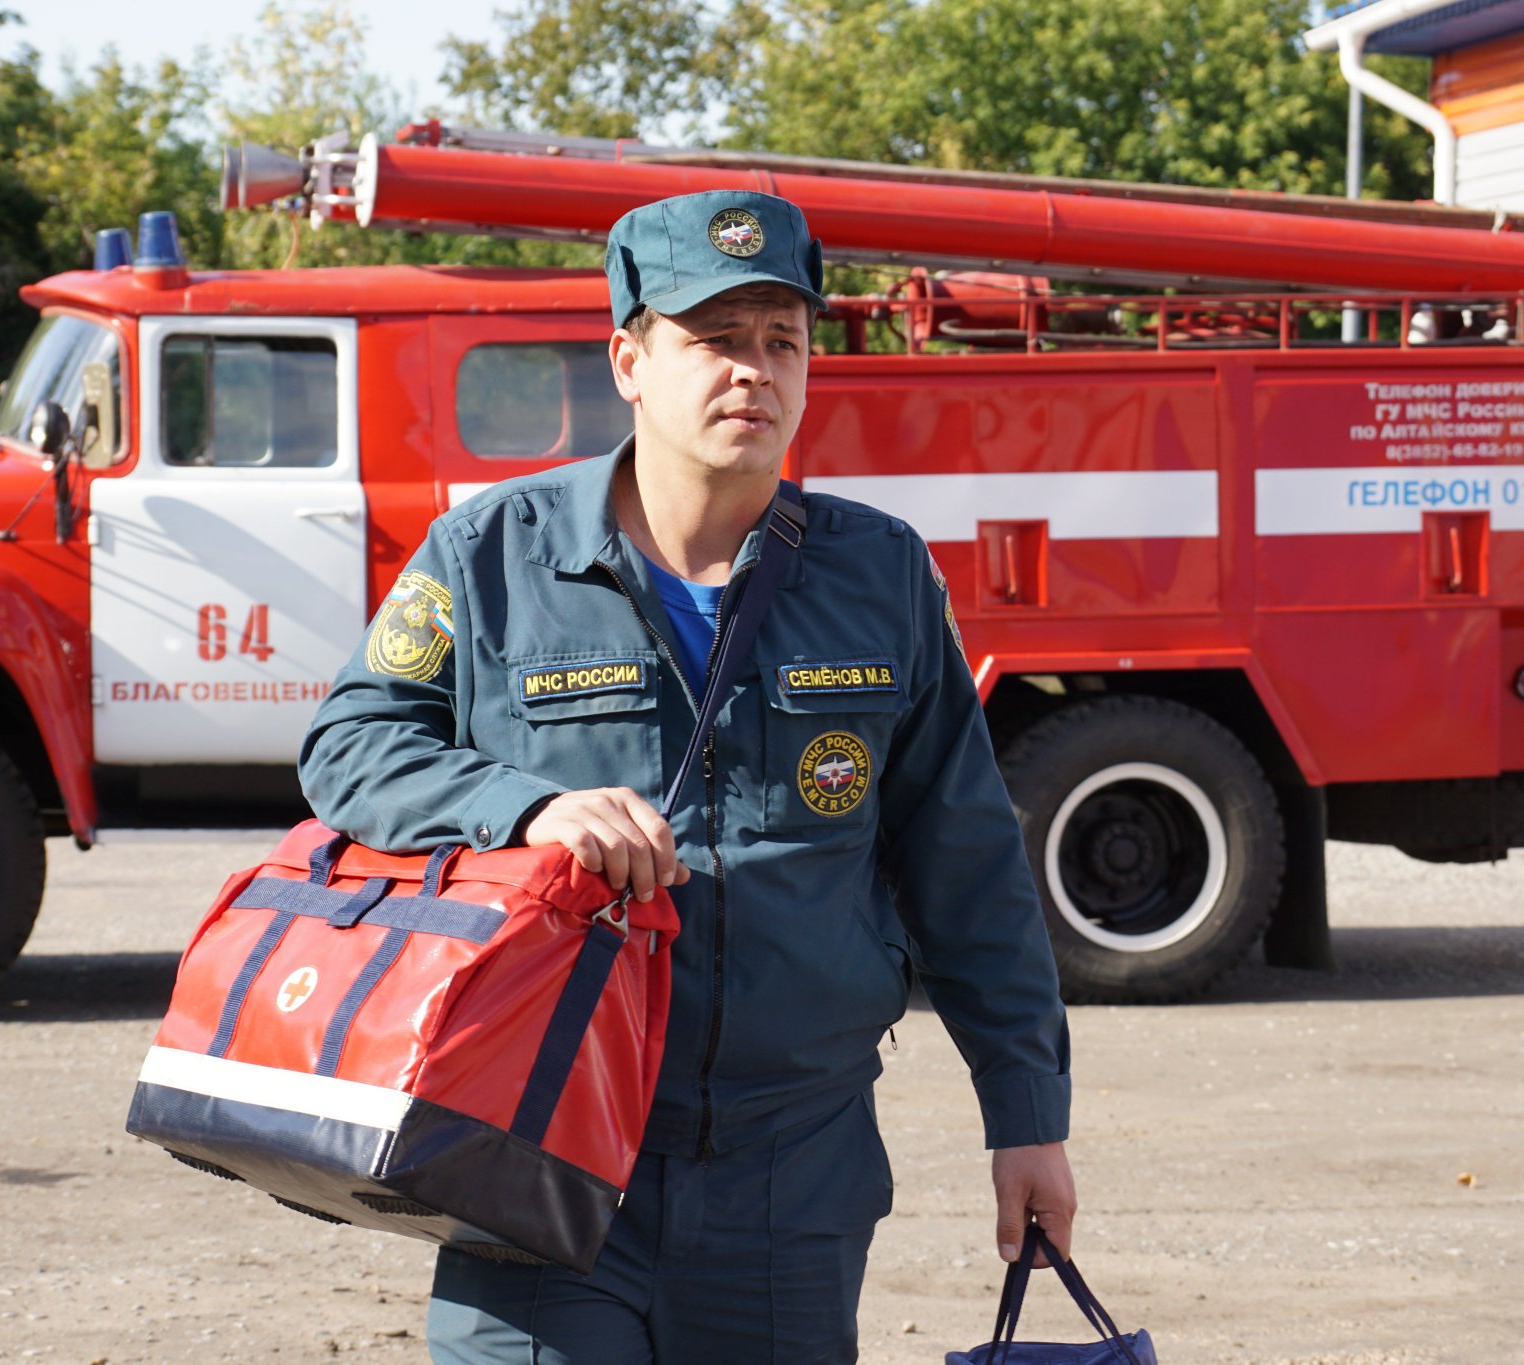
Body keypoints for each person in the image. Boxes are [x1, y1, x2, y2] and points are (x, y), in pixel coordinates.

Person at [299, 188, 1073, 1364]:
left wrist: (1025, 1120)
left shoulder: (879, 573)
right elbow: (349, 746)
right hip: (537, 1147)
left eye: (781, 343)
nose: (752, 373)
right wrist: (529, 809)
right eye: (713, 339)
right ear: (627, 359)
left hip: (791, 1171)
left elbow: (965, 862)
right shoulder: (494, 554)